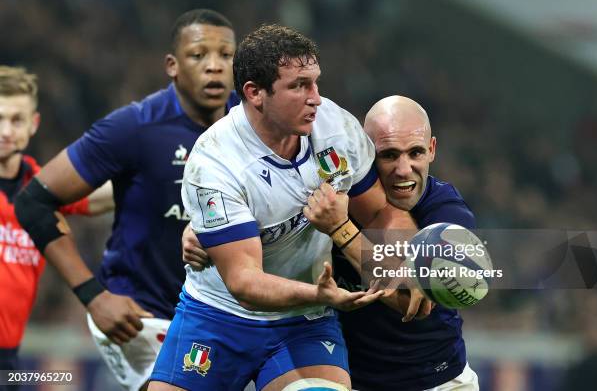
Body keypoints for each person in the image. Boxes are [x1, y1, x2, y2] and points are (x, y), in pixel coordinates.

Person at [148, 25, 430, 391]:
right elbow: (244, 282)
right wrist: (320, 293)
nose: (315, 98)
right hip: (218, 314)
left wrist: (403, 259)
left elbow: (379, 213)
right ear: (255, 93)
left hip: (303, 322)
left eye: (315, 82)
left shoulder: (336, 128)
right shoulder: (215, 163)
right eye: (298, 86)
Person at [14, 9, 239, 391]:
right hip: (145, 317)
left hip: (231, 311)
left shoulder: (254, 125)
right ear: (172, 65)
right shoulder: (134, 126)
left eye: (226, 56)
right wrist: (93, 297)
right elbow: (33, 201)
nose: (214, 67)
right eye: (199, 55)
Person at [333, 95, 479, 390]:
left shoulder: (446, 209)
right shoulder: (336, 198)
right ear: (365, 153)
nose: (403, 169)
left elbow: (417, 301)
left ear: (432, 150)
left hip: (441, 381)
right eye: (388, 155)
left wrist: (341, 230)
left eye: (415, 153)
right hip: (356, 381)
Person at [0, 65, 112, 382]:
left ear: (33, 124)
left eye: (16, 120)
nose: (6, 130)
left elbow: (103, 197)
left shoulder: (42, 189)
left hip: (8, 361)